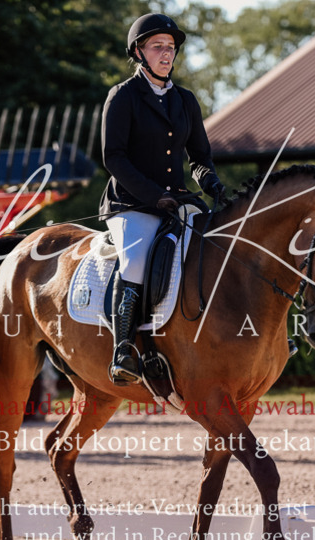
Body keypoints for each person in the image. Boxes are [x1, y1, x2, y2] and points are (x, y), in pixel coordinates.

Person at [100, 13, 226, 385]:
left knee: (218, 246)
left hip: (178, 200)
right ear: (139, 52)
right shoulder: (123, 96)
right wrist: (155, 196)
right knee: (136, 260)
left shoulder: (185, 100)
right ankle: (123, 349)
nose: (166, 53)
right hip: (132, 203)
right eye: (157, 46)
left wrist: (211, 182)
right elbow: (113, 157)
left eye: (170, 47)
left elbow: (199, 157)